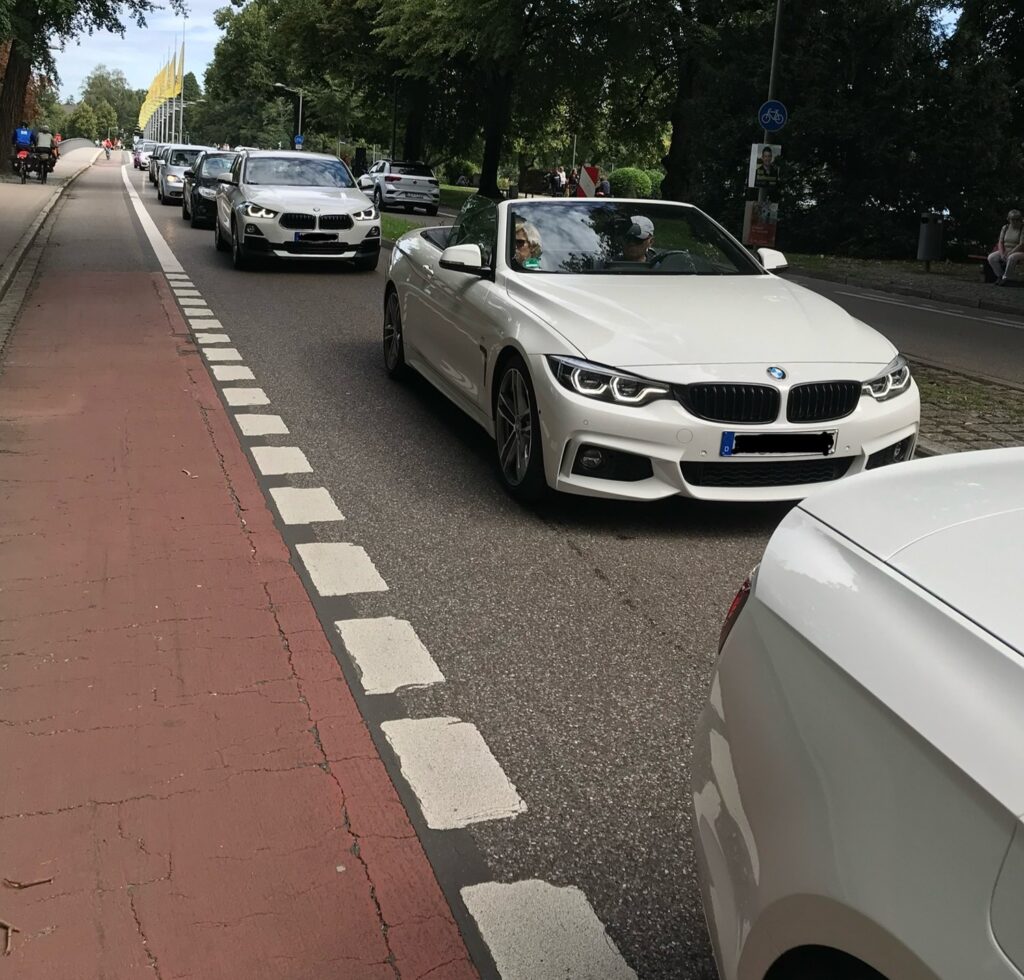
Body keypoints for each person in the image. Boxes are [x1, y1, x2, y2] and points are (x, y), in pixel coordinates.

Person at [989, 209, 1024, 285]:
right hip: (1006, 249)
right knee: (991, 257)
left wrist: (1011, 252)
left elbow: (1021, 244)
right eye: (1013, 219)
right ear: (1009, 219)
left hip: (1020, 251)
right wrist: (1002, 254)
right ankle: (1000, 276)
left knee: (1012, 257)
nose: (1015, 221)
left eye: (1017, 219)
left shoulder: (1022, 228)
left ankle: (1007, 278)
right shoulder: (1005, 228)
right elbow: (1000, 242)